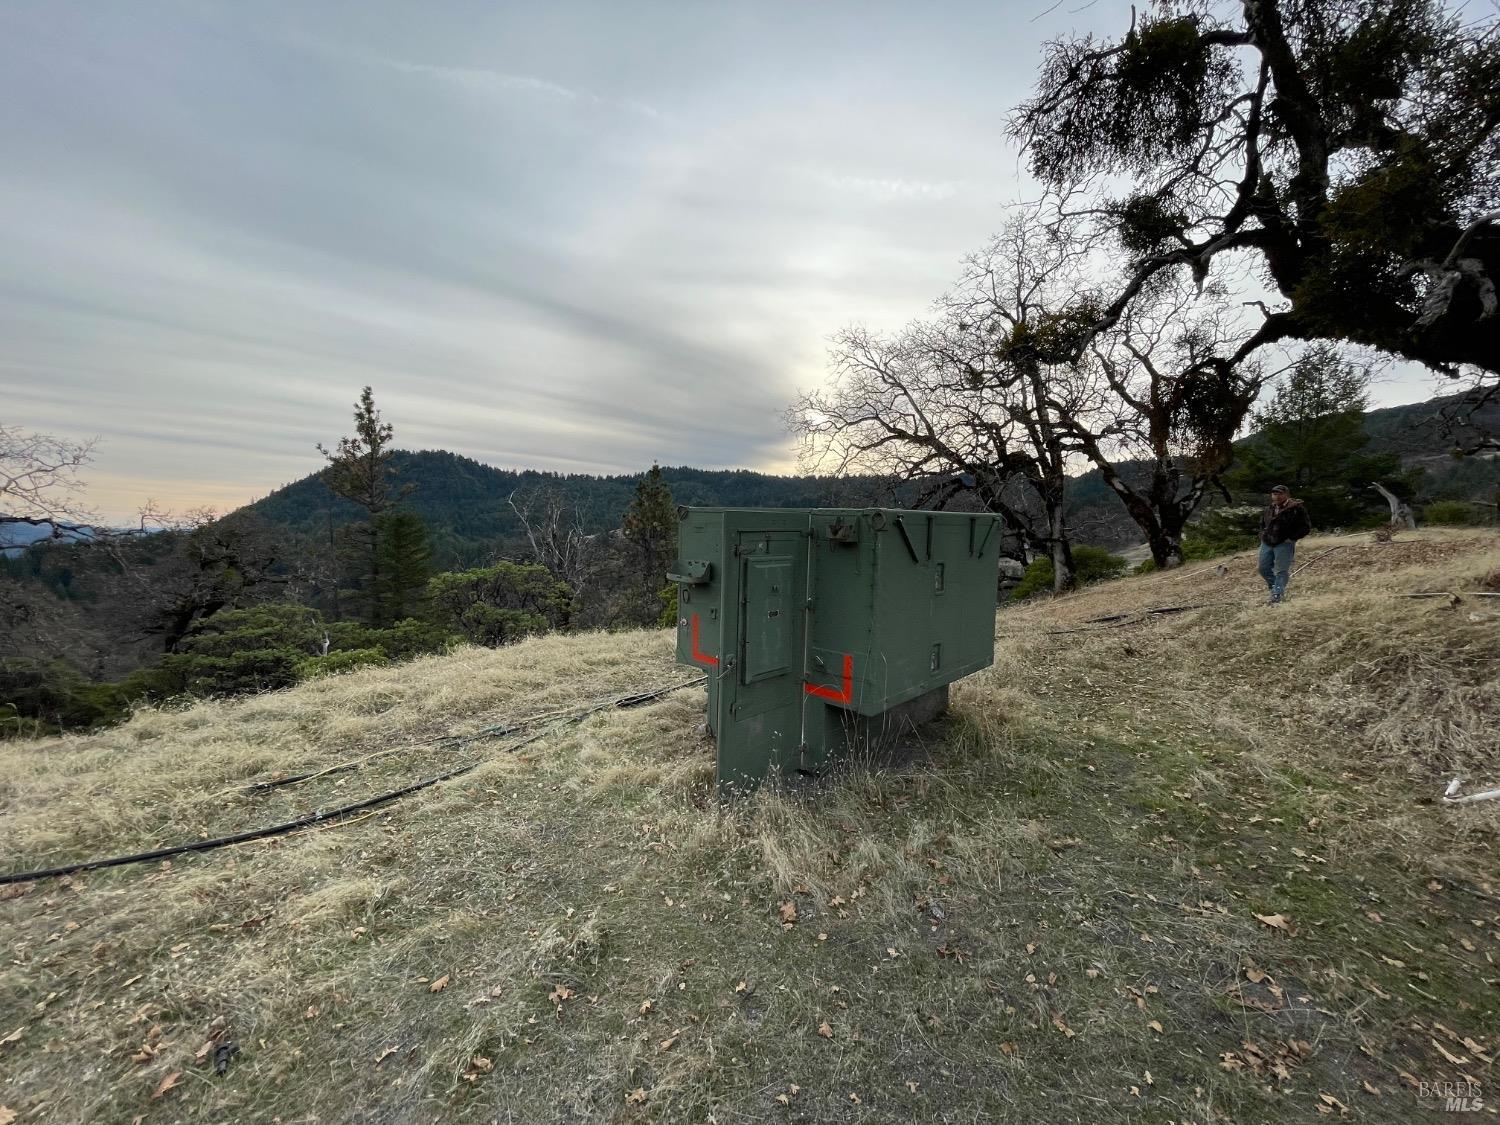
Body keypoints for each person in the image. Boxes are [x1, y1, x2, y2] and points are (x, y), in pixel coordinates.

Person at [1258, 485, 1312, 604]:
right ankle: (1275, 588)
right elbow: (1262, 524)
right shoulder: (1268, 509)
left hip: (1284, 543)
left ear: (1287, 495)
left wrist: (1292, 538)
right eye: (1274, 494)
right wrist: (1262, 535)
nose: (1277, 496)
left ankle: (1277, 595)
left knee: (1281, 570)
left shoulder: (1296, 509)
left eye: (1280, 494)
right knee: (1263, 568)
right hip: (1267, 542)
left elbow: (1306, 527)